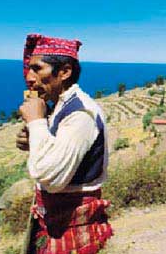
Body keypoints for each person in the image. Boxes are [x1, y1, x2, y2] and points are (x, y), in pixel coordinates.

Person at [16, 33, 112, 254]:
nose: (29, 78)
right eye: (29, 69)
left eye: (37, 69)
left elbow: (51, 177)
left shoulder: (80, 114)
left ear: (65, 72)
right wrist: (35, 138)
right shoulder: (60, 107)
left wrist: (37, 122)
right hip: (54, 222)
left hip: (72, 229)